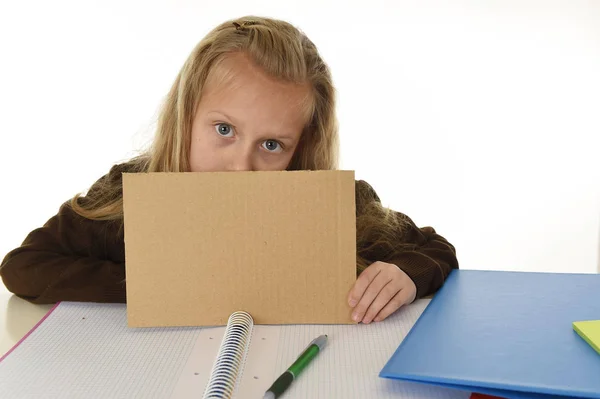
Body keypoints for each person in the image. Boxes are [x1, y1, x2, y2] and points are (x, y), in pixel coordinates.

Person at [0, 16, 458, 324]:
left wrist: (407, 274)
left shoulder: (333, 205)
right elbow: (23, 268)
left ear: (301, 147)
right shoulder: (127, 193)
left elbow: (436, 250)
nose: (241, 167)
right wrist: (164, 283)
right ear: (187, 115)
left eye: (272, 144)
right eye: (224, 129)